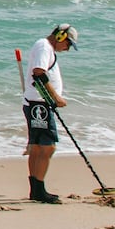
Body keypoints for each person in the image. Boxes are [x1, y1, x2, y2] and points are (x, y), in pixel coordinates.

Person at [22, 23, 78, 204]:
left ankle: (36, 191)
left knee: (38, 147)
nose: (67, 49)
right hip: (40, 105)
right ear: (60, 36)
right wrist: (56, 98)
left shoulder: (44, 48)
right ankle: (39, 190)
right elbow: (38, 73)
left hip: (37, 105)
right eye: (68, 44)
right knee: (48, 147)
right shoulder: (44, 47)